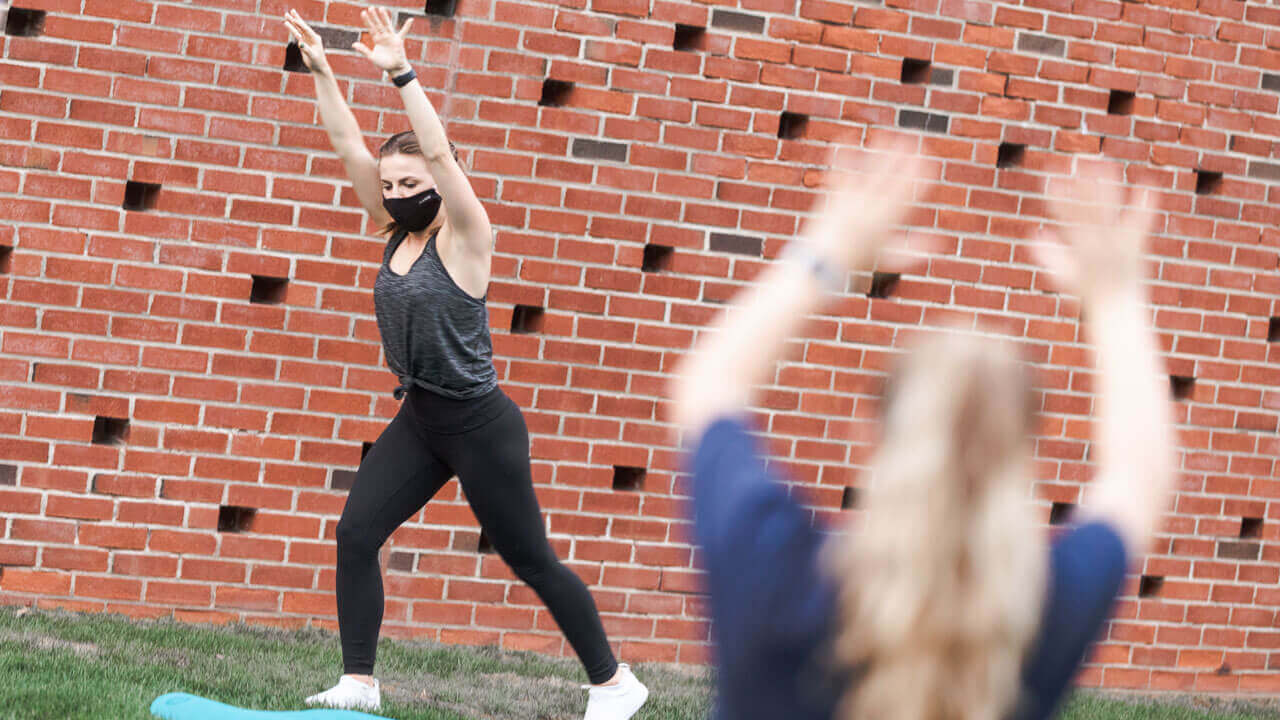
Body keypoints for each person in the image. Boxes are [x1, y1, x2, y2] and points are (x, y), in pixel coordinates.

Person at [671, 140, 1175, 720]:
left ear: (869, 432)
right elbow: (1140, 473)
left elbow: (709, 387)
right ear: (1025, 453)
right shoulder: (1041, 615)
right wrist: (1114, 295)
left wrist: (829, 250)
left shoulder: (773, 567)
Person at [281, 8, 648, 718]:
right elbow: (344, 141)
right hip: (421, 418)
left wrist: (402, 75)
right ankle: (359, 683)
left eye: (407, 183)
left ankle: (613, 683)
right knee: (357, 532)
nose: (394, 194)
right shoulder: (394, 229)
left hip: (481, 425)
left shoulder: (467, 237)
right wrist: (323, 73)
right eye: (388, 186)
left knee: (530, 558)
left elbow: (443, 158)